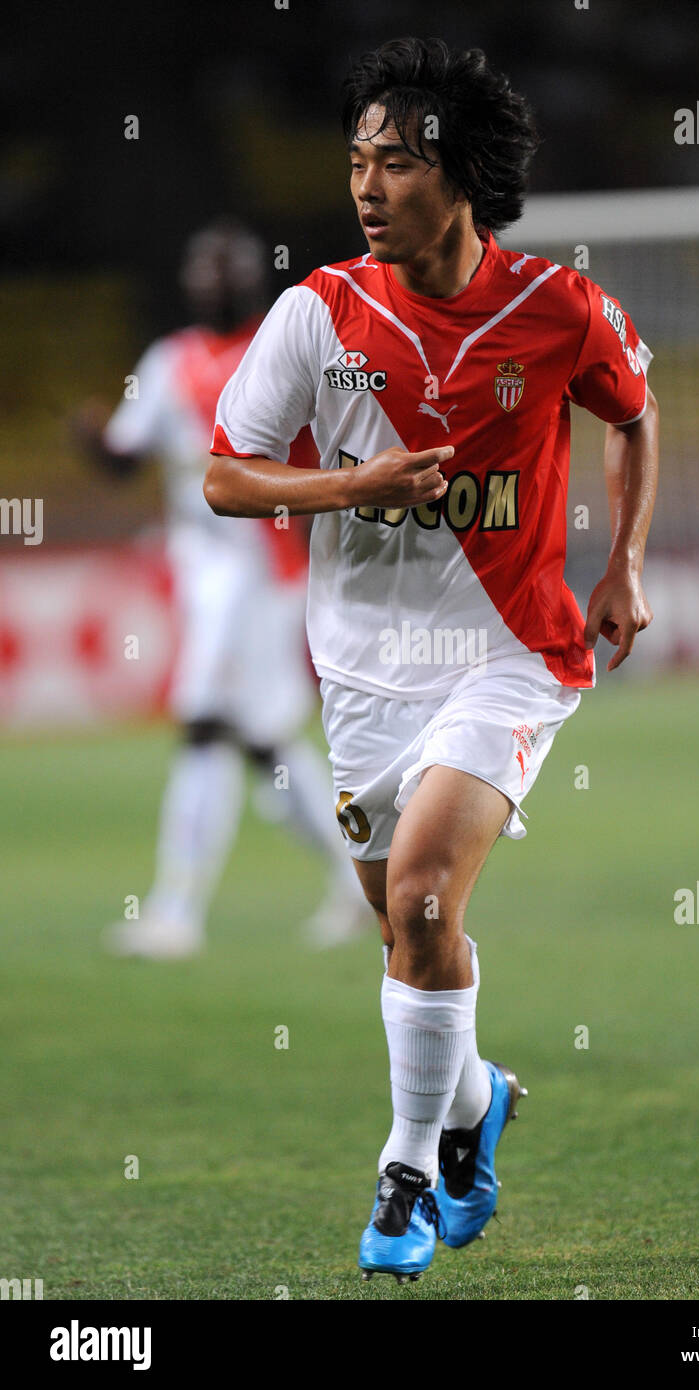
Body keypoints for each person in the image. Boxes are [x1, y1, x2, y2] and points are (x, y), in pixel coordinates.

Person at [205, 38, 659, 1284]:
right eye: (355, 158)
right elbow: (225, 475)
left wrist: (620, 563)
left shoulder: (556, 309)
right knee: (407, 927)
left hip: (511, 653)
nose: (364, 184)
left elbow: (634, 412)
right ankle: (474, 1101)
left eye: (394, 160)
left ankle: (404, 1168)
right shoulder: (319, 314)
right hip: (359, 671)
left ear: (456, 177)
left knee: (418, 894)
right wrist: (355, 480)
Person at [74, 220, 371, 957]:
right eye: (206, 271)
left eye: (230, 270)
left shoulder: (282, 351)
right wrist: (94, 443)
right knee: (264, 743)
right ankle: (359, 880)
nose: (217, 282)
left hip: (263, 573)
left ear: (252, 279)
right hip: (204, 574)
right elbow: (126, 455)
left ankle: (176, 911)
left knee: (205, 722)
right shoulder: (168, 360)